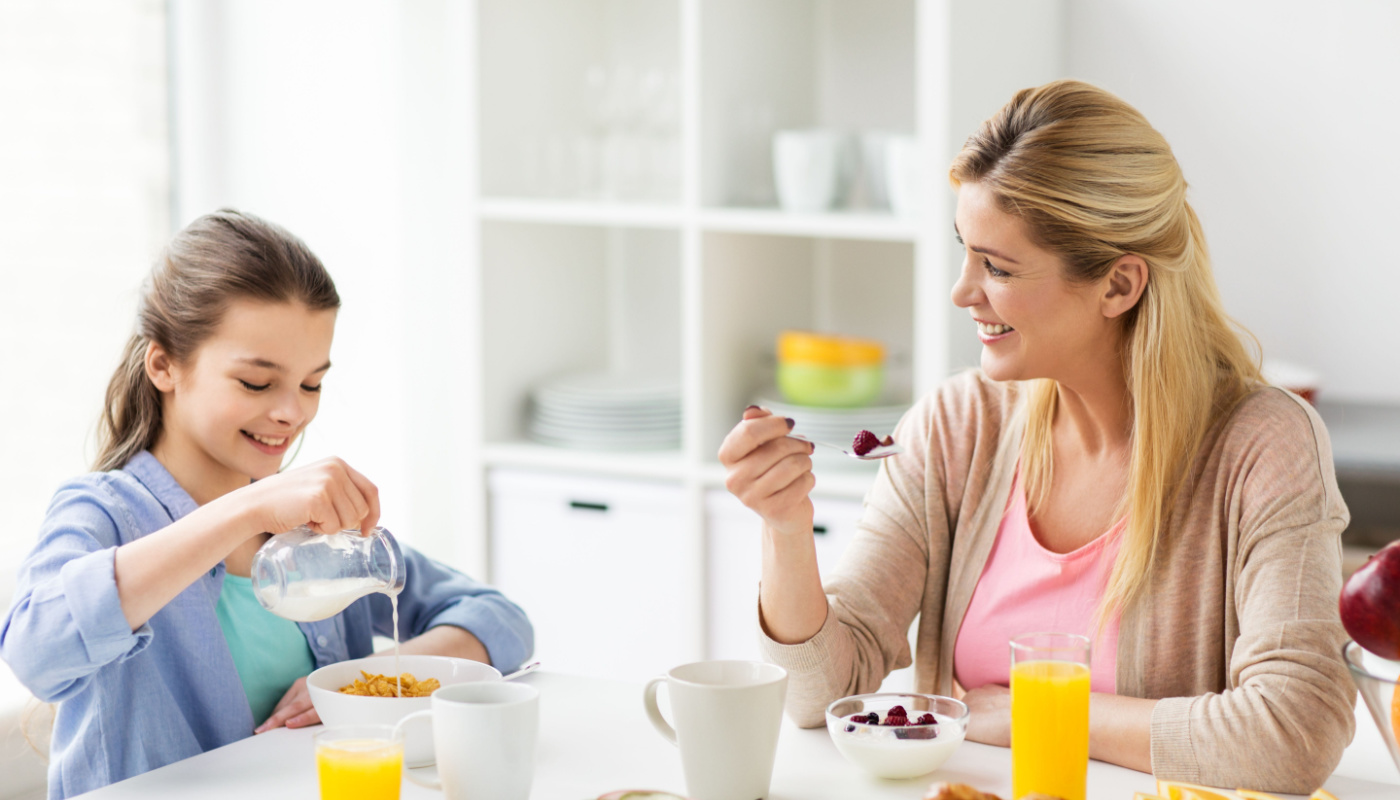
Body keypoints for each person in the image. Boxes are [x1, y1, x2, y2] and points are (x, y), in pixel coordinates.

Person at [719, 80, 1354, 794]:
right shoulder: (958, 428)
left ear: (1119, 286)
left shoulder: (1262, 447)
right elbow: (816, 693)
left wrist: (1038, 713)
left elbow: (1293, 733)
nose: (962, 292)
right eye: (966, 251)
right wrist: (784, 527)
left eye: (998, 267)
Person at [0, 209, 534, 799]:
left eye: (311, 384)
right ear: (164, 365)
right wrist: (244, 511)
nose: (292, 413)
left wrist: (365, 680)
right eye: (257, 383)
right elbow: (36, 650)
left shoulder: (315, 531)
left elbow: (498, 621)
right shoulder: (104, 512)